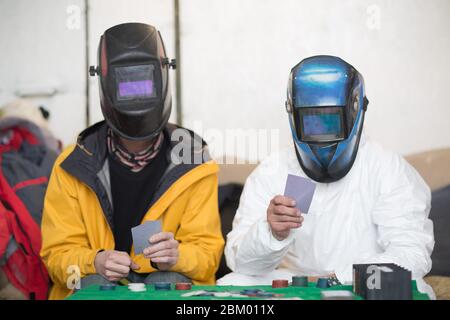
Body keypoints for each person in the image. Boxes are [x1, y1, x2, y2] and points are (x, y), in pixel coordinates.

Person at [218, 55, 435, 298]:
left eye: (330, 120)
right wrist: (271, 233)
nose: (321, 132)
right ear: (293, 114)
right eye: (311, 121)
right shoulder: (274, 170)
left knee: (412, 285)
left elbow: (411, 253)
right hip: (293, 286)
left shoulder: (387, 168)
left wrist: (340, 278)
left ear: (354, 110)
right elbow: (241, 263)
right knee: (233, 281)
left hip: (363, 283)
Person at [40, 23, 224, 299]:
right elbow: (57, 259)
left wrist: (177, 256)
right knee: (93, 285)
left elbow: (208, 256)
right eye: (126, 83)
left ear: (163, 75)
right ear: (104, 82)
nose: (136, 95)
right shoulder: (73, 165)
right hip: (98, 283)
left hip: (162, 282)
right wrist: (95, 261)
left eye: (142, 81)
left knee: (169, 280)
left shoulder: (195, 161)